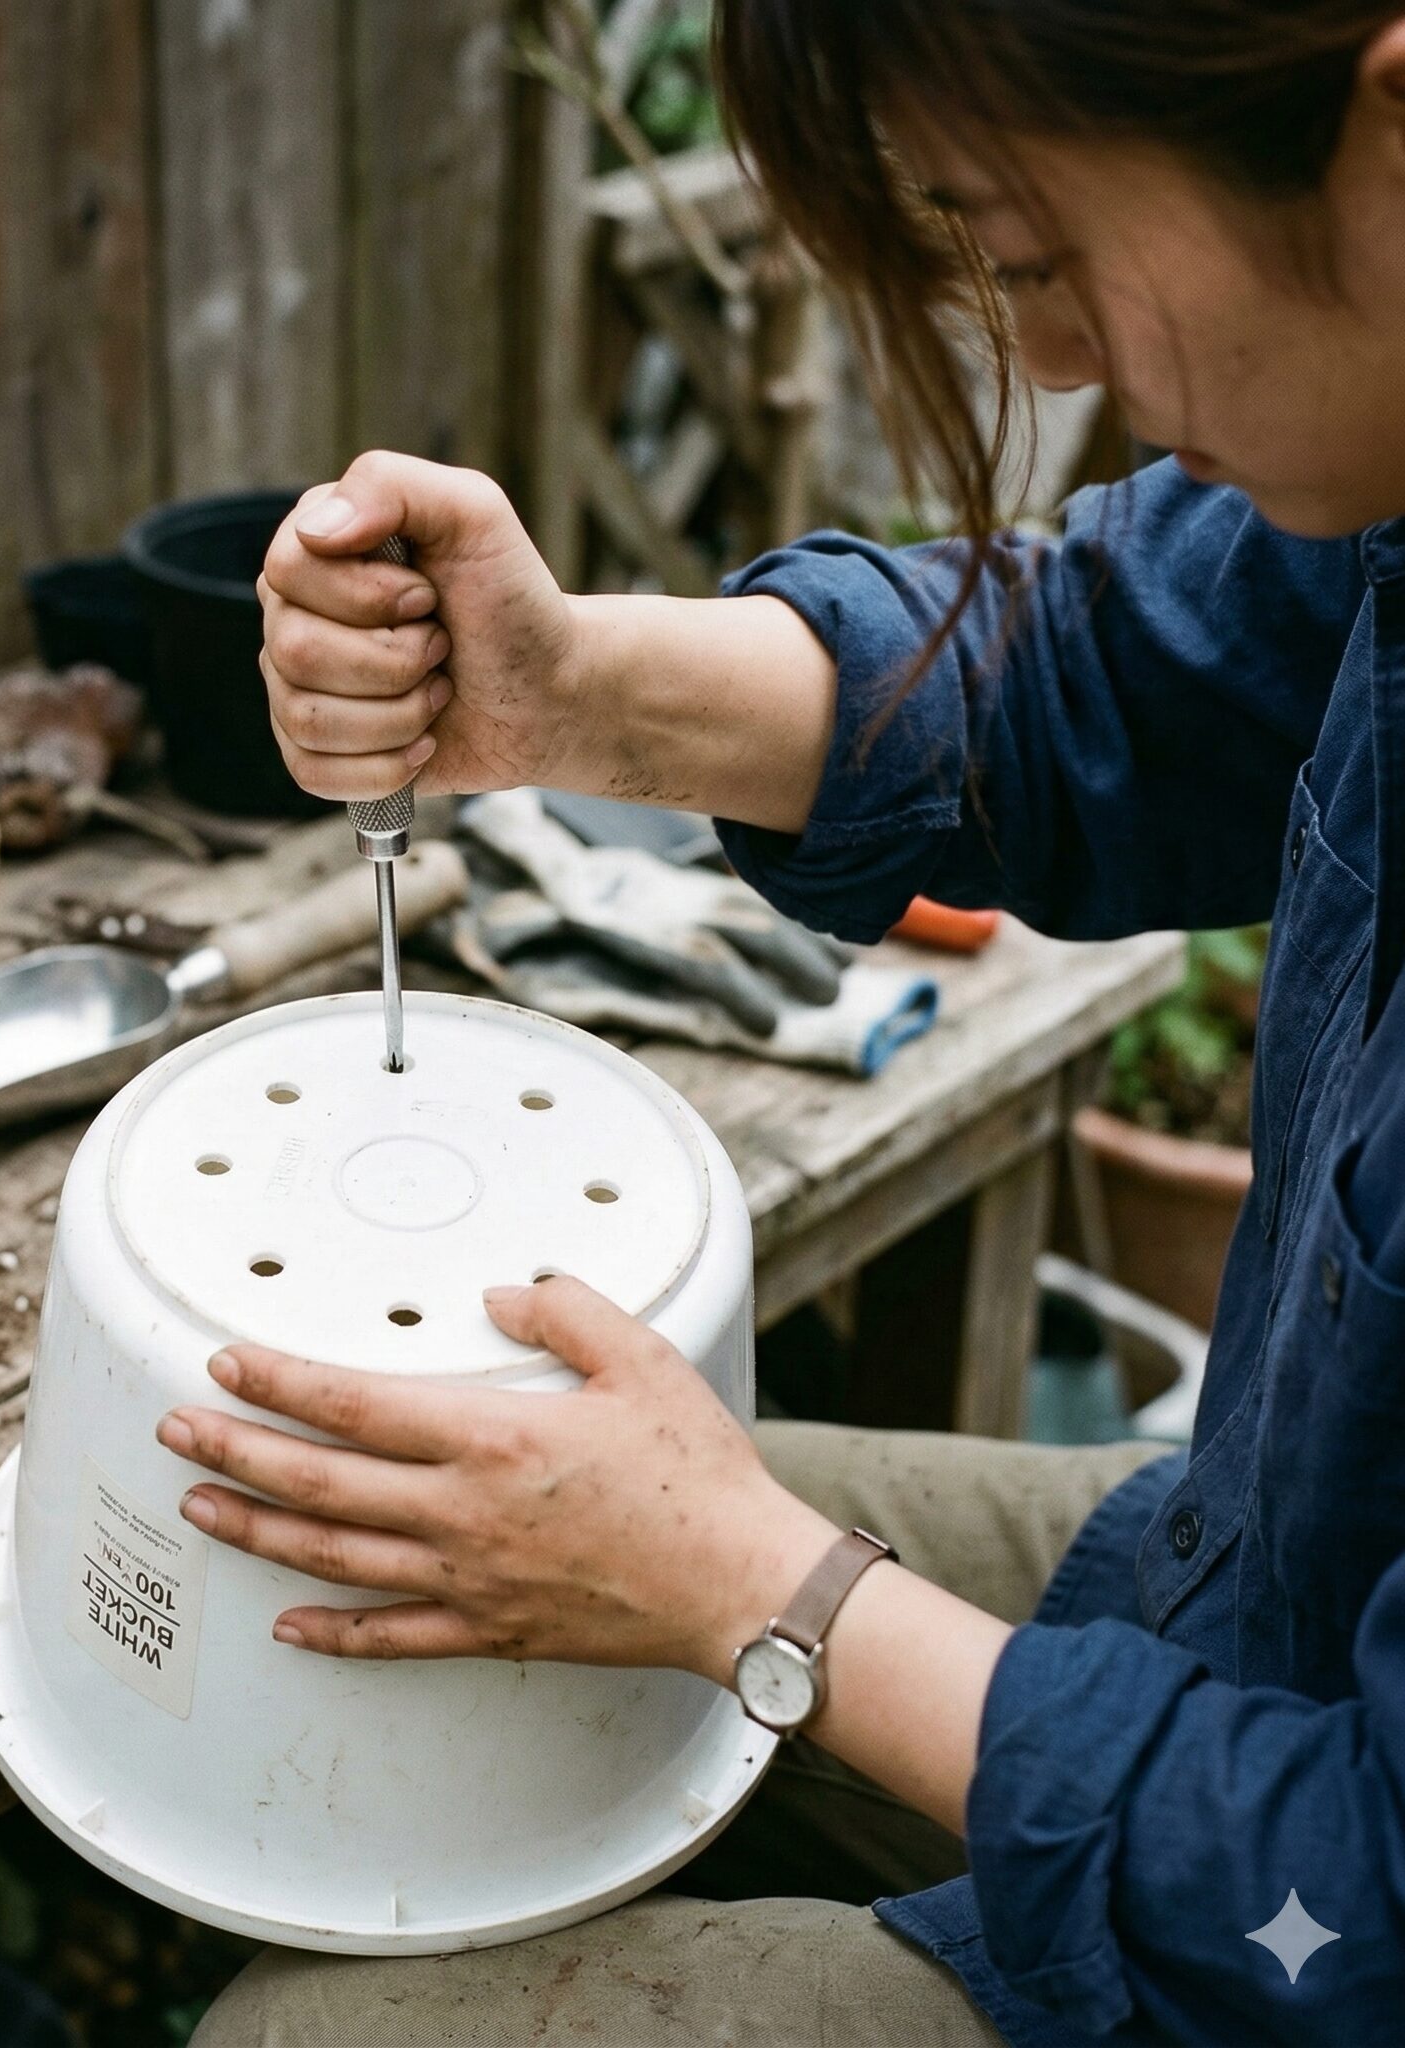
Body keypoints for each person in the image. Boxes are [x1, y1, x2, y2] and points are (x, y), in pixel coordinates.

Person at [184, 6, 1405, 2041]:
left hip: (1305, 1926)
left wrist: (772, 1593)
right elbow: (1116, 667)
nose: (1057, 360)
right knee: (407, 1551)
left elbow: (1358, 1909)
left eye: (1042, 253)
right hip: (1272, 1579)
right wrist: (564, 687)